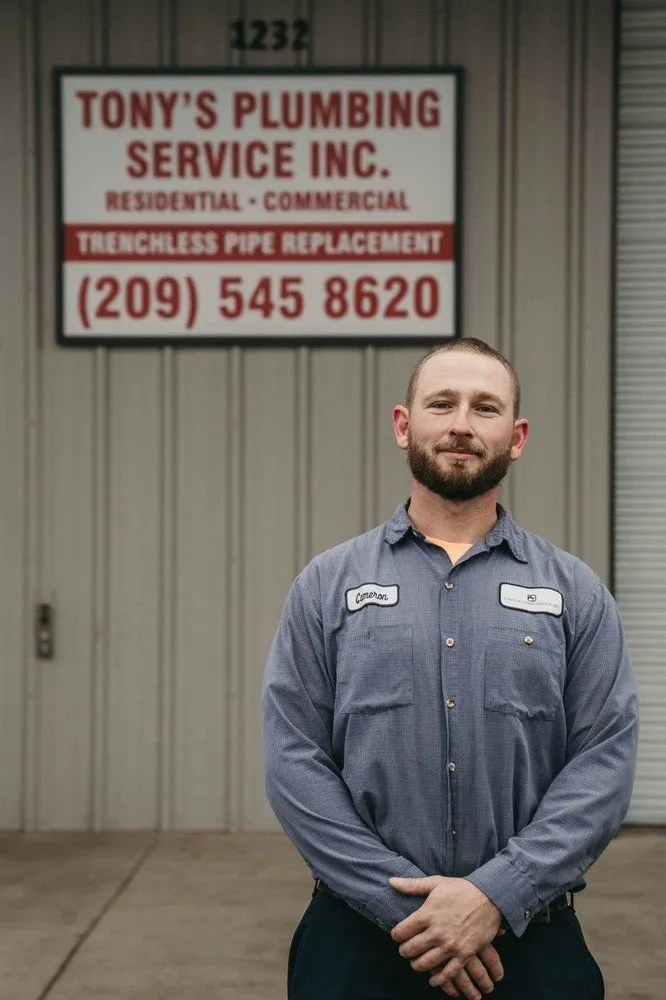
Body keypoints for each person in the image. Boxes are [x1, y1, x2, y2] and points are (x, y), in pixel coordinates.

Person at [261, 338, 639, 1000]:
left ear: (515, 437)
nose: (462, 423)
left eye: (484, 407)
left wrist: (499, 892)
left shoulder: (575, 592)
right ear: (405, 425)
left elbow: (604, 763)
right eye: (442, 403)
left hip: (530, 947)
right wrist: (413, 911)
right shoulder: (327, 585)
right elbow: (293, 760)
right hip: (358, 947)